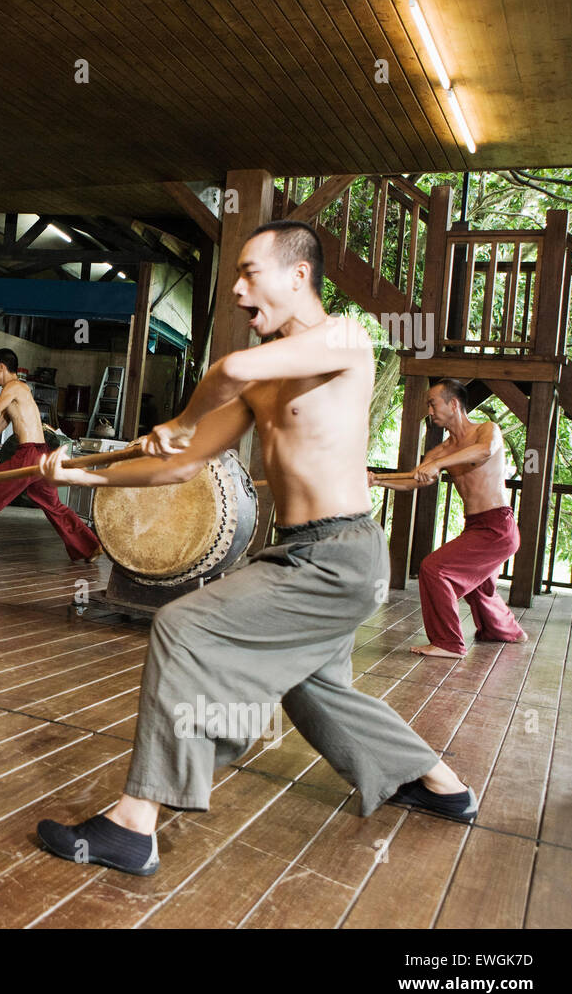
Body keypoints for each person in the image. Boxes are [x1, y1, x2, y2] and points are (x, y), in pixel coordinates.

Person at [34, 220, 478, 878]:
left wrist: (182, 416)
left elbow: (228, 369)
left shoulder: (344, 339)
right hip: (299, 552)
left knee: (184, 627)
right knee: (315, 690)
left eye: (249, 273)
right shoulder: (261, 383)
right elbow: (178, 466)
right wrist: (81, 474)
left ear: (299, 274)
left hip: (339, 555)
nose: (238, 292)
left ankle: (134, 824)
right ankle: (441, 783)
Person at [371, 379, 527, 658]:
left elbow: (484, 452)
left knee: (434, 569)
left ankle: (448, 643)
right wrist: (377, 480)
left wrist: (438, 464)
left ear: (453, 404)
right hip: (476, 527)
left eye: (433, 403)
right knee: (480, 587)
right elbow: (414, 480)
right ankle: (507, 631)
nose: (429, 410)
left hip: (498, 526)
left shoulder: (485, 430)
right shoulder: (442, 450)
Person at [0, 348, 102, 563]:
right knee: (54, 506)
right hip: (40, 455)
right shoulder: (17, 395)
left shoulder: (14, 387)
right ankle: (90, 547)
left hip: (28, 455)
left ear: (2, 367)